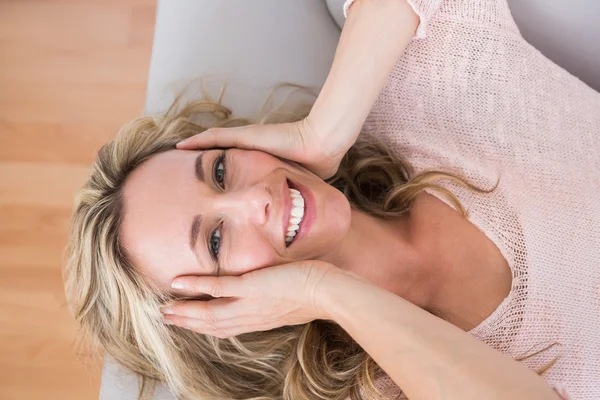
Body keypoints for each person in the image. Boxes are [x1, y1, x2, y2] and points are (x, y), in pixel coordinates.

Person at [64, 0, 600, 399]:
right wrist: (327, 292)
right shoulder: (387, 385)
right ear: (224, 316)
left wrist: (321, 134)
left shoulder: (426, 95)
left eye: (221, 171)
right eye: (217, 240)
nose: (255, 201)